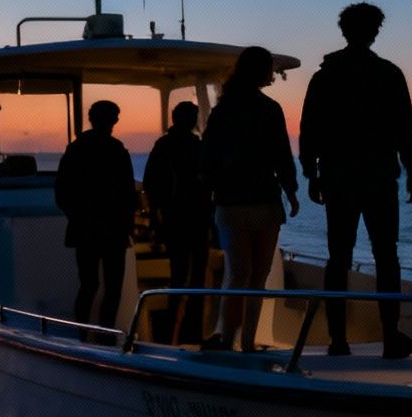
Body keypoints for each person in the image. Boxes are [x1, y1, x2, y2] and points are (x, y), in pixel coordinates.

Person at [299, 2, 412, 359]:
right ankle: (390, 337)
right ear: (374, 31)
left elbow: (310, 129)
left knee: (338, 258)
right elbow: (405, 129)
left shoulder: (325, 77)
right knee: (387, 257)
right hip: (379, 178)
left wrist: (311, 173)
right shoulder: (388, 74)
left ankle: (338, 341)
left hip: (338, 177)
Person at [201, 46, 300, 352]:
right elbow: (282, 155)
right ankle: (247, 340)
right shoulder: (269, 109)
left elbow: (208, 160)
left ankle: (228, 337)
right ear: (262, 71)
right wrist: (291, 190)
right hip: (264, 201)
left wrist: (212, 192)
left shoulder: (222, 111)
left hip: (230, 203)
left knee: (237, 274)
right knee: (257, 276)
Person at [54, 99, 136, 332]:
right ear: (113, 121)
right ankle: (106, 335)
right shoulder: (117, 150)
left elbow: (62, 192)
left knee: (89, 285)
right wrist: (127, 226)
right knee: (111, 287)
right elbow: (127, 194)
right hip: (112, 231)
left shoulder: (76, 149)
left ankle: (81, 333)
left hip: (86, 230)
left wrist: (77, 216)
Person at [143, 100, 211, 344]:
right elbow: (209, 183)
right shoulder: (198, 147)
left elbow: (151, 183)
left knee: (178, 273)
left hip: (174, 218)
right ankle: (192, 331)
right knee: (197, 277)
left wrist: (155, 215)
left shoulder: (163, 145)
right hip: (197, 218)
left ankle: (170, 331)